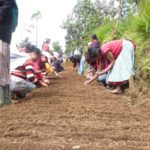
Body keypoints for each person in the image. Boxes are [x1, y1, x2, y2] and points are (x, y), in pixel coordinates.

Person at [0, 0, 18, 104]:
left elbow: (2, 14)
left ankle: (3, 101)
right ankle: (5, 100)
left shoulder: (6, 2)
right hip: (3, 39)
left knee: (2, 71)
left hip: (2, 38)